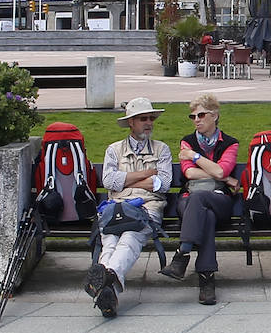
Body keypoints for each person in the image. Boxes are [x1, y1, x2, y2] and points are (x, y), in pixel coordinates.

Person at [83, 97, 172, 317]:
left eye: (151, 118)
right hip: (114, 208)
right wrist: (146, 174)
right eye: (143, 119)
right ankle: (108, 285)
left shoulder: (162, 149)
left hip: (147, 207)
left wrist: (127, 179)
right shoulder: (113, 150)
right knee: (110, 242)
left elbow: (163, 184)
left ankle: (103, 281)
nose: (149, 122)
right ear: (131, 122)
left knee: (130, 238)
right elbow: (109, 181)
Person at [159, 94, 239, 305]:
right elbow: (191, 175)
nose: (196, 120)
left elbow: (221, 169)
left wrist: (195, 157)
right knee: (206, 213)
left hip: (220, 200)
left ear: (215, 116)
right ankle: (206, 279)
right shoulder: (187, 141)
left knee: (203, 201)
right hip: (189, 201)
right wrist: (223, 176)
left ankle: (182, 254)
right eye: (192, 116)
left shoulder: (230, 143)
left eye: (201, 115)